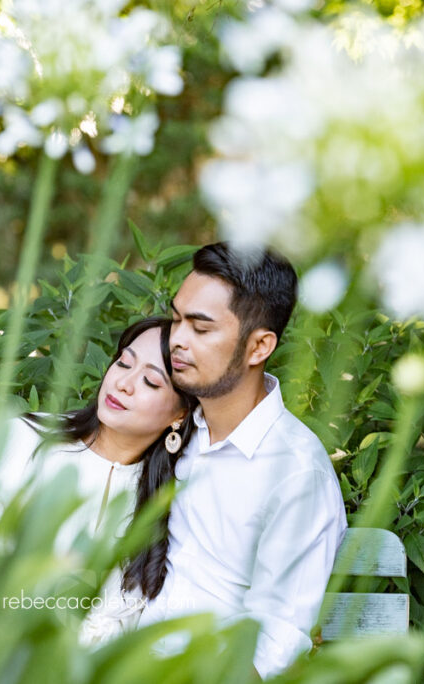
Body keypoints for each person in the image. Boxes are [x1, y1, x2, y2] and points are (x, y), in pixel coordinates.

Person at [137, 243, 347, 677]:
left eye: (201, 328)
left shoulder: (294, 471)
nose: (176, 339)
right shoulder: (176, 426)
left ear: (258, 347)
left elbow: (274, 642)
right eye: (177, 319)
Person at [0, 316, 197, 643]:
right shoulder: (27, 442)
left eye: (151, 381)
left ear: (180, 415)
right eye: (124, 363)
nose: (124, 383)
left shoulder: (174, 497)